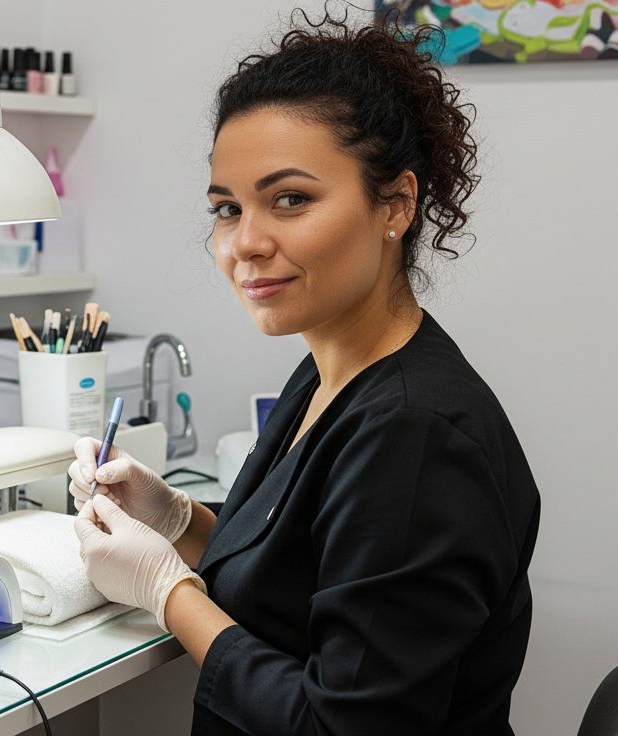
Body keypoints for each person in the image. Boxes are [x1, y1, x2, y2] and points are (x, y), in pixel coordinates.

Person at [69, 11, 541, 736]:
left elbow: (340, 728)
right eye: (227, 209)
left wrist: (166, 592)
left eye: (290, 199)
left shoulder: (415, 433)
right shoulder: (329, 370)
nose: (244, 243)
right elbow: (298, 567)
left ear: (397, 204)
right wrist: (172, 518)